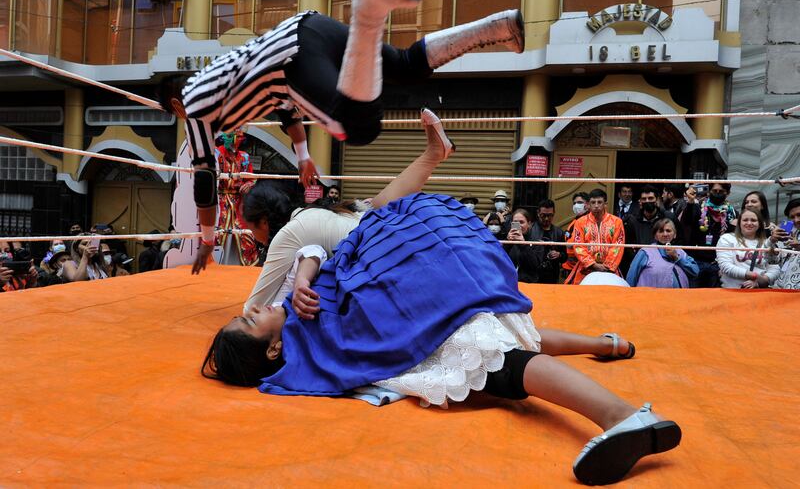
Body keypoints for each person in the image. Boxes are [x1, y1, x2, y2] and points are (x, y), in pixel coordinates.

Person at [202, 193, 680, 486]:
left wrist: (305, 276)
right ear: (270, 349)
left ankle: (619, 406)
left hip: (406, 291)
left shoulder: (295, 299)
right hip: (405, 313)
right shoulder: (300, 355)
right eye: (248, 322)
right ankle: (606, 353)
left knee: (499, 355)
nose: (252, 310)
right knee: (499, 347)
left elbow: (315, 251)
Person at [156, 0, 524, 274]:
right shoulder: (233, 80)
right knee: (406, 65)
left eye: (175, 113)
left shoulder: (197, 109)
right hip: (310, 27)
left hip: (291, 58)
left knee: (356, 127)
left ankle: (368, 15)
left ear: (177, 103)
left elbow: (204, 180)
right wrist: (302, 155)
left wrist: (206, 241)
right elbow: (285, 111)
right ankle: (498, 26)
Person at [243, 108, 455, 312]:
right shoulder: (313, 212)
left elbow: (253, 307)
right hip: (402, 241)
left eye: (251, 229)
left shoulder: (287, 235)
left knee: (375, 210)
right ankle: (433, 154)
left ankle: (434, 153)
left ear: (263, 221)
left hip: (391, 257)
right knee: (377, 206)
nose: (254, 237)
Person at [214, 129, 259, 266]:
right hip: (220, 199)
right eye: (237, 136)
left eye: (241, 137)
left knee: (246, 233)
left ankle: (245, 266)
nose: (240, 139)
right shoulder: (217, 153)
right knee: (218, 231)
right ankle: (215, 263)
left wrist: (250, 183)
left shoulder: (244, 157)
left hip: (239, 201)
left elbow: (251, 177)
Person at [680, 181, 737, 287]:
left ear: (728, 193)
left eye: (721, 191)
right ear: (709, 191)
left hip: (719, 264)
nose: (717, 193)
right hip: (697, 261)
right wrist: (690, 201)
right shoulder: (699, 207)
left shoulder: (732, 213)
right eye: (714, 191)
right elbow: (686, 221)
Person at [566, 189, 625, 285]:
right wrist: (593, 265)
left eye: (600, 202)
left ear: (605, 204)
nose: (596, 205)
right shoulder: (580, 222)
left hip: (609, 269)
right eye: (593, 202)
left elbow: (618, 245)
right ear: (588, 204)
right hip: (585, 268)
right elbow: (578, 246)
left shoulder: (617, 222)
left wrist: (607, 266)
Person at [622, 185, 679, 275]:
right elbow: (627, 246)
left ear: (657, 200)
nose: (647, 201)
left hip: (665, 266)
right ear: (640, 201)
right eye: (644, 199)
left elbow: (678, 240)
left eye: (650, 198)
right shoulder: (632, 220)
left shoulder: (668, 217)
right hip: (639, 266)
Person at [716, 208, 779, 289]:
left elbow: (775, 268)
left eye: (753, 220)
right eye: (745, 220)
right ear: (739, 223)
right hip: (731, 292)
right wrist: (755, 276)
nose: (749, 223)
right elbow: (725, 266)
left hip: (758, 293)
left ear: (759, 224)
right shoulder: (727, 238)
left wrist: (759, 283)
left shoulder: (767, 242)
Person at [626, 219, 699, 288]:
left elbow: (695, 271)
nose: (665, 234)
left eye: (668, 231)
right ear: (655, 236)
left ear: (675, 235)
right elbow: (632, 276)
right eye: (661, 231)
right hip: (650, 298)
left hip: (678, 298)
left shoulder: (680, 252)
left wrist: (677, 258)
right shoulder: (646, 252)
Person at [767, 198, 800, 289]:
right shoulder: (790, 236)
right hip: (784, 294)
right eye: (792, 217)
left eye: (799, 215)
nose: (796, 220)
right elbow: (772, 260)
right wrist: (772, 241)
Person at [562, 191, 590, 278]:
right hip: (569, 266)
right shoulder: (574, 222)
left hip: (582, 268)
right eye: (574, 203)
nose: (576, 205)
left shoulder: (589, 223)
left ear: (588, 205)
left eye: (580, 202)